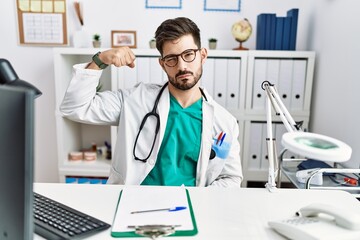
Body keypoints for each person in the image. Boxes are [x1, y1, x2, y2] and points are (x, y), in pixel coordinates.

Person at [60, 17, 243, 187]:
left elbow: (231, 177)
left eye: (188, 54)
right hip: (133, 204)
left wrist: (201, 200)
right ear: (162, 64)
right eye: (171, 59)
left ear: (202, 55)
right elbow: (74, 107)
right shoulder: (135, 100)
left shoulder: (225, 122)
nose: (182, 66)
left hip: (187, 208)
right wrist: (100, 60)